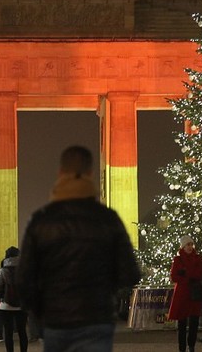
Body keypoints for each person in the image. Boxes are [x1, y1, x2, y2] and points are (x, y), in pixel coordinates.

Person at [17, 145, 141, 352]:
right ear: (91, 174)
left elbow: (23, 279)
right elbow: (130, 274)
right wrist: (105, 291)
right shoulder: (108, 219)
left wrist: (40, 311)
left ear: (60, 173)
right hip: (96, 318)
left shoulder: (41, 220)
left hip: (55, 320)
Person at [167, 235, 202, 352]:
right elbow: (174, 276)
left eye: (191, 244)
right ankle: (182, 348)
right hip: (182, 294)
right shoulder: (177, 260)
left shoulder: (198, 258)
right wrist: (186, 278)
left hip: (194, 293)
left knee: (194, 322)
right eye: (187, 245)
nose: (190, 247)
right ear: (183, 246)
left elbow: (201, 273)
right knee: (181, 323)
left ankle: (191, 345)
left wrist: (186, 275)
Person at [0, 246, 27, 352]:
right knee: (22, 332)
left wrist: (0, 297)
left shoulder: (3, 270)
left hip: (5, 305)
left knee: (8, 333)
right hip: (22, 305)